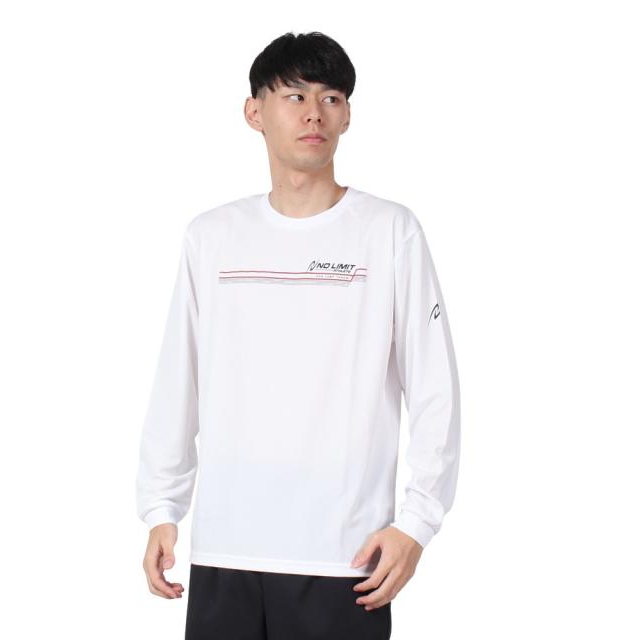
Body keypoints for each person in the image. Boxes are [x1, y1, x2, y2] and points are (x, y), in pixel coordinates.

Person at [135, 30, 461, 640]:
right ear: (254, 112)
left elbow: (434, 388)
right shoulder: (211, 237)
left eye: (331, 97)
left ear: (347, 116)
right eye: (294, 95)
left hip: (345, 558)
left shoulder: (390, 232)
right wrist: (161, 508)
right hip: (225, 552)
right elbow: (179, 379)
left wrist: (417, 524)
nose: (315, 112)